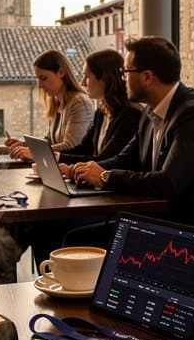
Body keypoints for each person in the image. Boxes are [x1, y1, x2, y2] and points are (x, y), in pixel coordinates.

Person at [71, 36, 194, 229]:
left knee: (67, 235)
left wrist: (105, 177)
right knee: (63, 232)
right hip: (165, 220)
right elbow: (125, 159)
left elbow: (168, 183)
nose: (123, 78)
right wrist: (85, 170)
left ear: (147, 77)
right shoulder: (150, 111)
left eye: (126, 71)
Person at [25, 49, 142, 263]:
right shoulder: (102, 111)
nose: (82, 81)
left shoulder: (130, 115)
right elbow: (84, 149)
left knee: (48, 226)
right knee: (39, 224)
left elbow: (106, 159)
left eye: (87, 76)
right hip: (99, 195)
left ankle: (57, 279)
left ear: (104, 79)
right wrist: (57, 158)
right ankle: (49, 280)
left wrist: (68, 167)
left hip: (114, 201)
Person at [4, 49, 94, 160]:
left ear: (61, 72)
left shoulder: (79, 103)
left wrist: (33, 152)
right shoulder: (56, 102)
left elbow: (71, 146)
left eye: (43, 78)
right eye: (38, 79)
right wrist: (25, 145)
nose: (39, 85)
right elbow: (49, 141)